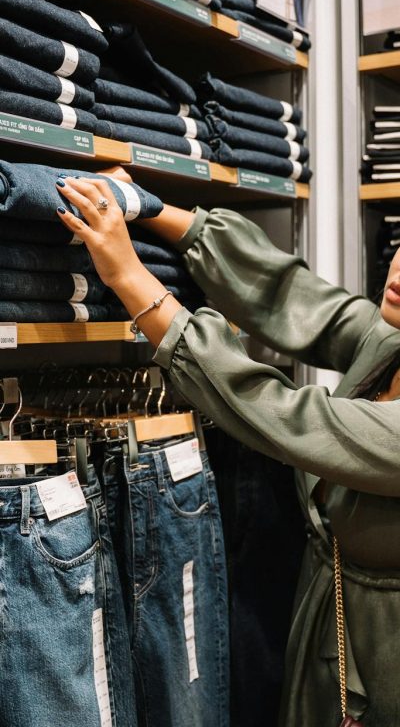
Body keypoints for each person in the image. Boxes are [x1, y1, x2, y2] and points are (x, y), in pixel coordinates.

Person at [55, 170, 400, 727]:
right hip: (330, 640)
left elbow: (285, 416)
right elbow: (297, 298)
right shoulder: (390, 344)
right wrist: (147, 207)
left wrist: (131, 279)